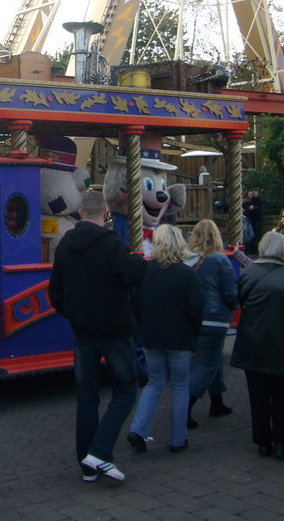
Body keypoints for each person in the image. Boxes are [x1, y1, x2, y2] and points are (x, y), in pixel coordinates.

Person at [49, 190, 146, 482]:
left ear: (79, 214)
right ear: (104, 214)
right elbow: (134, 275)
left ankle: (86, 463)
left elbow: (55, 291)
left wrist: (73, 313)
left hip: (83, 331)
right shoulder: (111, 244)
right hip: (114, 330)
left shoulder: (65, 244)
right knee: (127, 388)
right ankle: (101, 451)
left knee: (87, 396)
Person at [230, 231, 284, 461]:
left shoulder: (248, 273)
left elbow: (242, 300)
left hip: (253, 341)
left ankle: (263, 442)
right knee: (283, 395)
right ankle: (282, 442)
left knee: (258, 395)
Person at [126, 225, 203, 454]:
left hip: (151, 335)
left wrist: (142, 326)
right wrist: (193, 333)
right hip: (179, 337)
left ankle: (138, 429)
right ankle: (178, 439)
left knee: (154, 382)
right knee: (180, 385)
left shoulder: (146, 271)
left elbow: (136, 304)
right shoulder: (186, 273)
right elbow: (196, 309)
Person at [186, 220, 239, 429]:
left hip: (197, 318)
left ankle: (217, 402)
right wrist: (236, 303)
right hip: (215, 318)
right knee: (206, 364)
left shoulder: (190, 260)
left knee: (213, 359)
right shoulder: (219, 260)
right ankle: (185, 408)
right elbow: (230, 291)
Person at [242, 190, 263, 254]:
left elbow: (258, 210)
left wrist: (253, 208)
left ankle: (253, 249)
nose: (252, 195)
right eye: (251, 194)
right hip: (248, 220)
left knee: (253, 235)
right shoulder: (247, 201)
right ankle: (248, 249)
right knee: (247, 234)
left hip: (255, 220)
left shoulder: (257, 201)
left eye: (254, 193)